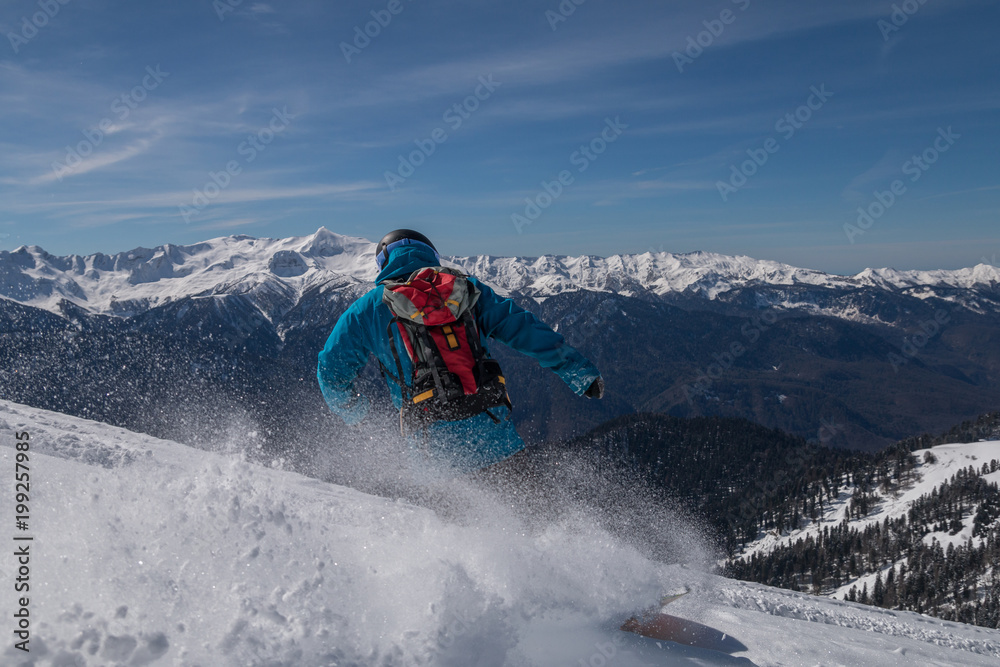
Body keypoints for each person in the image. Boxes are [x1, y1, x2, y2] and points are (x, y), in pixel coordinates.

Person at [317, 229, 603, 475]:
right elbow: (524, 329)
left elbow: (330, 372)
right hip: (496, 441)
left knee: (454, 537)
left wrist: (358, 415)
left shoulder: (366, 310)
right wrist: (578, 372)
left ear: (383, 264)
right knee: (539, 530)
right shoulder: (465, 289)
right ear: (431, 255)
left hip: (433, 459)